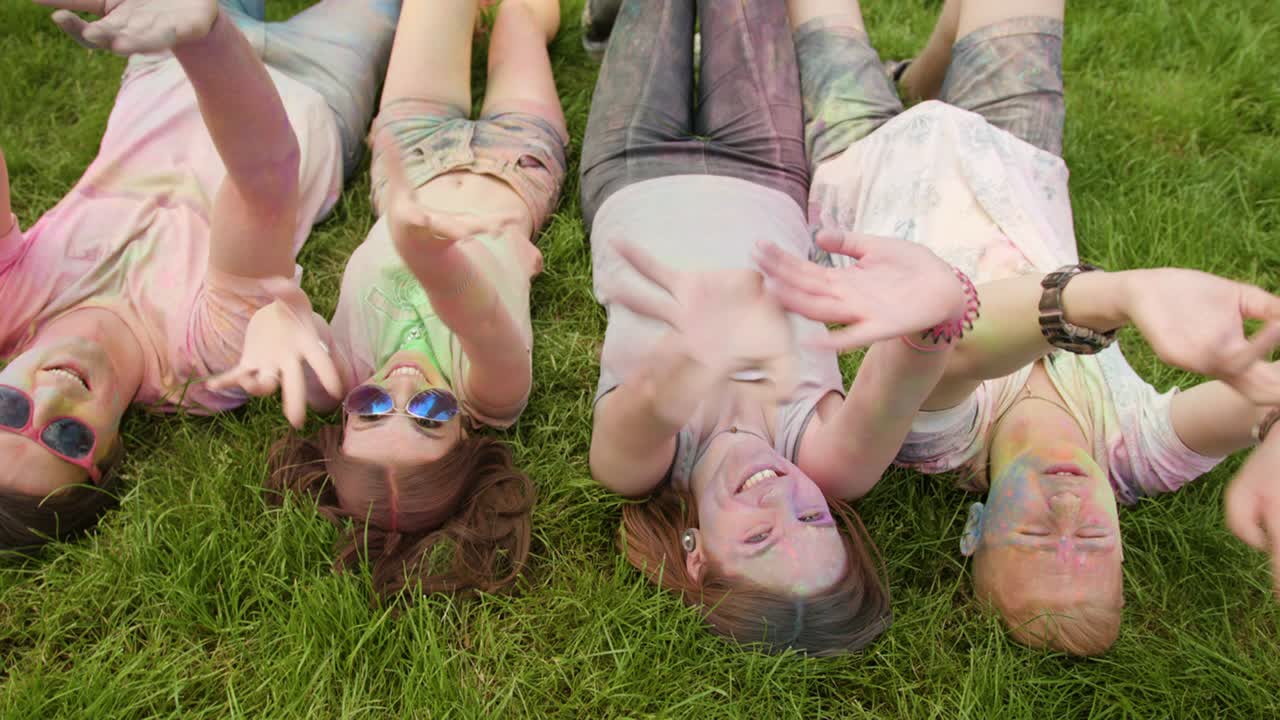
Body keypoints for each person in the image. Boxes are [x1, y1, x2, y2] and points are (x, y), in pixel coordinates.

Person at [767, 0, 1280, 655]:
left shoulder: (941, 446)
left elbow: (954, 340)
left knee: (821, 14)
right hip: (1011, 158)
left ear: (976, 531)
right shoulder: (1134, 452)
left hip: (861, 159)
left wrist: (1120, 293)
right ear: (1122, 544)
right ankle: (923, 78)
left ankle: (912, 85)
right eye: (1092, 539)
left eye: (1036, 537)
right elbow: (1258, 398)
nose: (1066, 514)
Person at [579, 0, 985, 655]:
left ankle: (617, 20)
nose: (782, 500)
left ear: (698, 557)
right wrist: (940, 301)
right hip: (766, 172)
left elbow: (653, 401)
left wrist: (696, 354)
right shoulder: (826, 460)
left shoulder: (636, 469)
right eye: (811, 517)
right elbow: (900, 381)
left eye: (760, 537)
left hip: (633, 167)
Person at [0, 0, 398, 551]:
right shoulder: (203, 359)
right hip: (314, 88)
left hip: (162, 53)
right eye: (67, 438)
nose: (47, 403)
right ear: (111, 455)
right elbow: (263, 172)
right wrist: (207, 37)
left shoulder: (8, 303)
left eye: (8, 410)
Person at [217, 0, 566, 599]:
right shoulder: (493, 395)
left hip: (411, 153)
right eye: (431, 415)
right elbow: (477, 315)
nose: (400, 387)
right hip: (516, 164)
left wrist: (274, 317)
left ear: (345, 418)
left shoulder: (339, 375)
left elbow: (289, 320)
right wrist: (427, 253)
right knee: (522, 22)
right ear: (466, 442)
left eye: (372, 406)